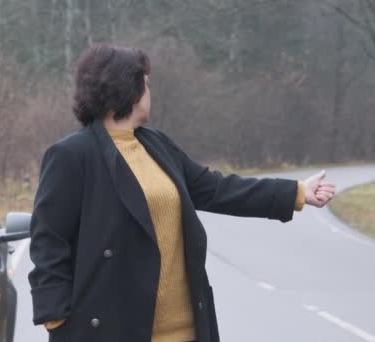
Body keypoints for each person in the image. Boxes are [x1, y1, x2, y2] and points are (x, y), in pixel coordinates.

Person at [27, 44, 336, 342]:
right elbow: (49, 239)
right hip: (111, 330)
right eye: (146, 84)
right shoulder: (72, 155)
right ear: (128, 89)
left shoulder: (157, 145)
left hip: (186, 329)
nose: (150, 94)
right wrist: (55, 317)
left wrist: (296, 192)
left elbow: (217, 189)